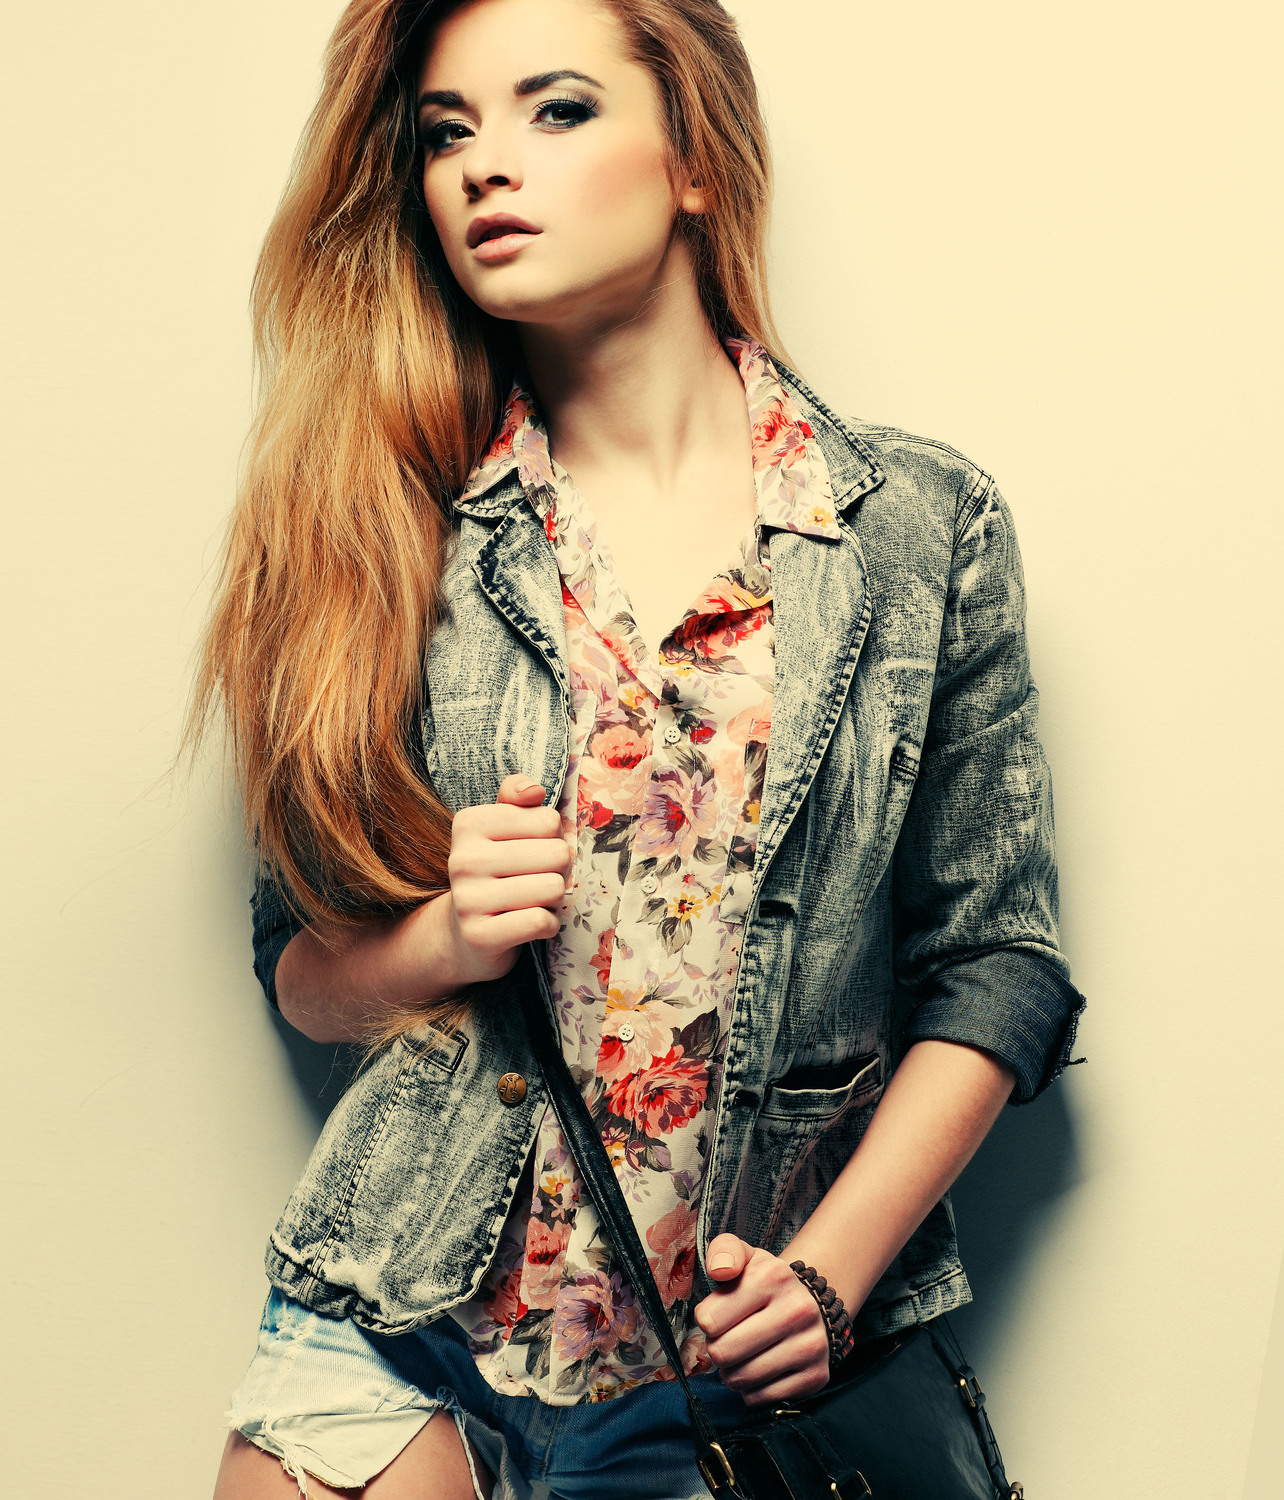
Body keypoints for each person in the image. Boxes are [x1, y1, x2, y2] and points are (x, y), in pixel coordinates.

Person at [194, 0, 1086, 1495]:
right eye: (447, 134)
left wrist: (830, 1275)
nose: (485, 166)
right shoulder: (378, 529)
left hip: (722, 1378)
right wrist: (439, 937)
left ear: (694, 162)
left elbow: (1000, 965)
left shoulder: (918, 530)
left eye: (555, 110)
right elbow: (299, 968)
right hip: (401, 1323)